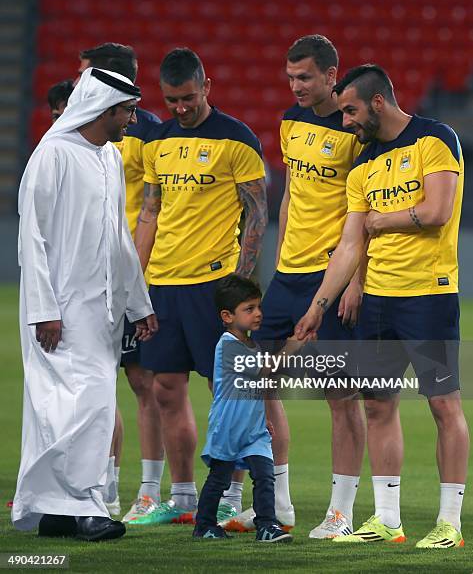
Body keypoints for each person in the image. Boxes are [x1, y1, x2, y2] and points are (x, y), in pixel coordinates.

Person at [296, 64, 469, 549]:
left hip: (429, 297)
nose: (345, 119)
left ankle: (450, 524)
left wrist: (384, 219)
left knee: (442, 405)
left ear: (376, 102)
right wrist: (317, 307)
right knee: (377, 405)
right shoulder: (363, 166)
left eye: (350, 109)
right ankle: (387, 519)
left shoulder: (435, 140)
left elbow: (438, 212)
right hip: (378, 302)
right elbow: (350, 246)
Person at [222, 35, 366, 538]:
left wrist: (355, 281)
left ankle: (341, 513)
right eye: (291, 78)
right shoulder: (289, 121)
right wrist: (279, 261)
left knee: (340, 395)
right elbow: (289, 197)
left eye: (305, 77)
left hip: (333, 274)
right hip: (290, 273)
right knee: (260, 381)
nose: (296, 86)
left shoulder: (357, 131)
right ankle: (277, 503)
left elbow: (363, 214)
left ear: (332, 75)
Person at [12, 67, 157, 541]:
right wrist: (43, 310)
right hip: (60, 309)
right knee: (71, 408)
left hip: (104, 309)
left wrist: (139, 304)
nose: (132, 119)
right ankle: (85, 506)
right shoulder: (52, 155)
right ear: (105, 110)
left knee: (83, 407)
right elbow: (30, 239)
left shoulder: (110, 158)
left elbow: (119, 236)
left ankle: (56, 510)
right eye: (127, 110)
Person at [130, 47, 267, 525]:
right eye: (172, 100)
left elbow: (257, 214)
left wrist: (241, 284)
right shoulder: (158, 141)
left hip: (213, 285)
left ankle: (230, 494)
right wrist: (135, 278)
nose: (181, 108)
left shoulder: (238, 139)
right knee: (166, 388)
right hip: (163, 282)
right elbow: (150, 212)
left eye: (188, 97)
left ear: (206, 87)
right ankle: (184, 496)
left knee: (225, 391)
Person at [77, 43, 164, 522]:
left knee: (142, 382)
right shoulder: (79, 132)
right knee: (92, 383)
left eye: (86, 74)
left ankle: (148, 490)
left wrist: (139, 282)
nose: (78, 83)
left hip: (131, 276)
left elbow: (154, 208)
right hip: (91, 278)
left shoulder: (145, 132)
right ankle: (100, 488)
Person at [193, 274, 292, 543]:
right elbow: (263, 372)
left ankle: (267, 525)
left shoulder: (252, 345)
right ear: (227, 316)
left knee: (264, 476)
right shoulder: (227, 346)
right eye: (249, 309)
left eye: (258, 307)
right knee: (219, 479)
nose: (258, 314)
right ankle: (204, 525)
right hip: (228, 427)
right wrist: (293, 346)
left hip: (254, 430)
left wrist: (262, 418)